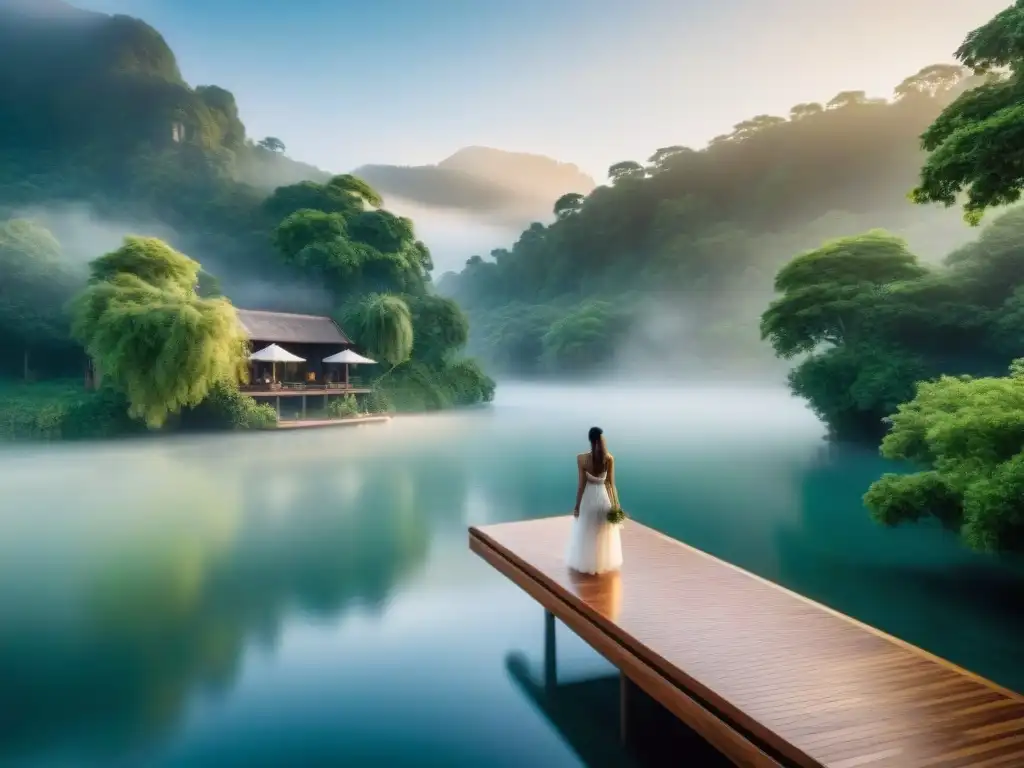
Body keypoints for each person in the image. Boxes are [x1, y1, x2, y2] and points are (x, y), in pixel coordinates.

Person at [565, 426, 623, 575]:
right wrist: (616, 505)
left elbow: (581, 485)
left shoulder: (581, 459)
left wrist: (577, 506)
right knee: (602, 532)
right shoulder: (609, 459)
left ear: (590, 441)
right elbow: (611, 484)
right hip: (603, 499)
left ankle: (588, 563)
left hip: (589, 499)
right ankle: (600, 562)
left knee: (587, 532)